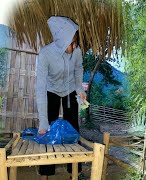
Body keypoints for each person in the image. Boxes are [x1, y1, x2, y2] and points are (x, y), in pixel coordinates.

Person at [36, 16, 86, 180]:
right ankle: (45, 174)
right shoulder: (45, 54)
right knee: (47, 130)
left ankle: (75, 172)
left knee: (73, 129)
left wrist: (79, 88)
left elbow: (78, 69)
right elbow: (40, 88)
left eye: (75, 40)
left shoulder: (76, 51)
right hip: (51, 90)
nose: (75, 44)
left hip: (70, 89)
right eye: (72, 41)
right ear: (62, 40)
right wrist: (43, 120)